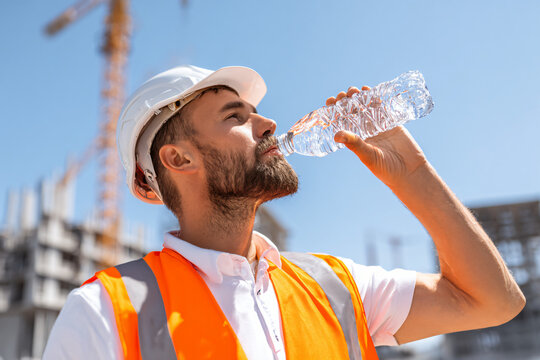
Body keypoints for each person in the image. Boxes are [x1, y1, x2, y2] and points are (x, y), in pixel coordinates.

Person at [43, 65, 525, 359]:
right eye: (236, 115)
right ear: (178, 159)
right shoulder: (106, 310)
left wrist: (412, 173)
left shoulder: (334, 286)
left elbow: (494, 302)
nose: (268, 122)